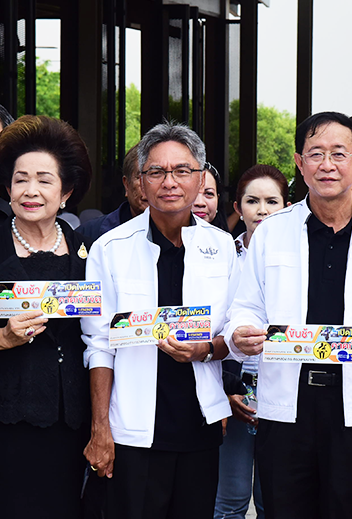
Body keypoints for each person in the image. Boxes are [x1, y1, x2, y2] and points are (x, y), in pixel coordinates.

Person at [225, 111, 352, 519]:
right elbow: (245, 305)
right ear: (300, 165)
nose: (327, 164)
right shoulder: (273, 231)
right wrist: (239, 331)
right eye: (315, 154)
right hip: (287, 406)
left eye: (339, 154)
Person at [82, 121, 239, 519]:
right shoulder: (110, 248)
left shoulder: (220, 247)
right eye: (156, 171)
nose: (169, 181)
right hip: (132, 429)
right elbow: (99, 344)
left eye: (182, 171)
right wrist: (101, 429)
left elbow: (232, 333)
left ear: (200, 177)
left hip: (200, 424)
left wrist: (205, 350)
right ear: (141, 181)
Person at [0, 115, 92, 518]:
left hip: (69, 423)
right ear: (8, 188)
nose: (30, 191)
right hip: (7, 420)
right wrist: (3, 339)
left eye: (44, 180)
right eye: (21, 179)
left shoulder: (88, 251)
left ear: (66, 192)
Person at [214, 164, 289, 519]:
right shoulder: (222, 256)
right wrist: (226, 389)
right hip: (232, 388)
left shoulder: (297, 258)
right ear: (238, 208)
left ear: (287, 206)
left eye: (272, 201)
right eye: (252, 201)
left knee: (274, 498)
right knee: (230, 498)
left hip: (283, 389)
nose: (262, 210)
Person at [77, 143, 148, 239]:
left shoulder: (175, 238)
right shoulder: (88, 235)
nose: (150, 187)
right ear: (127, 185)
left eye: (157, 175)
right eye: (142, 178)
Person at [192, 163, 230, 232]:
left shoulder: (225, 241)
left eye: (209, 193)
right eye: (192, 193)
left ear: (218, 199)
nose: (200, 203)